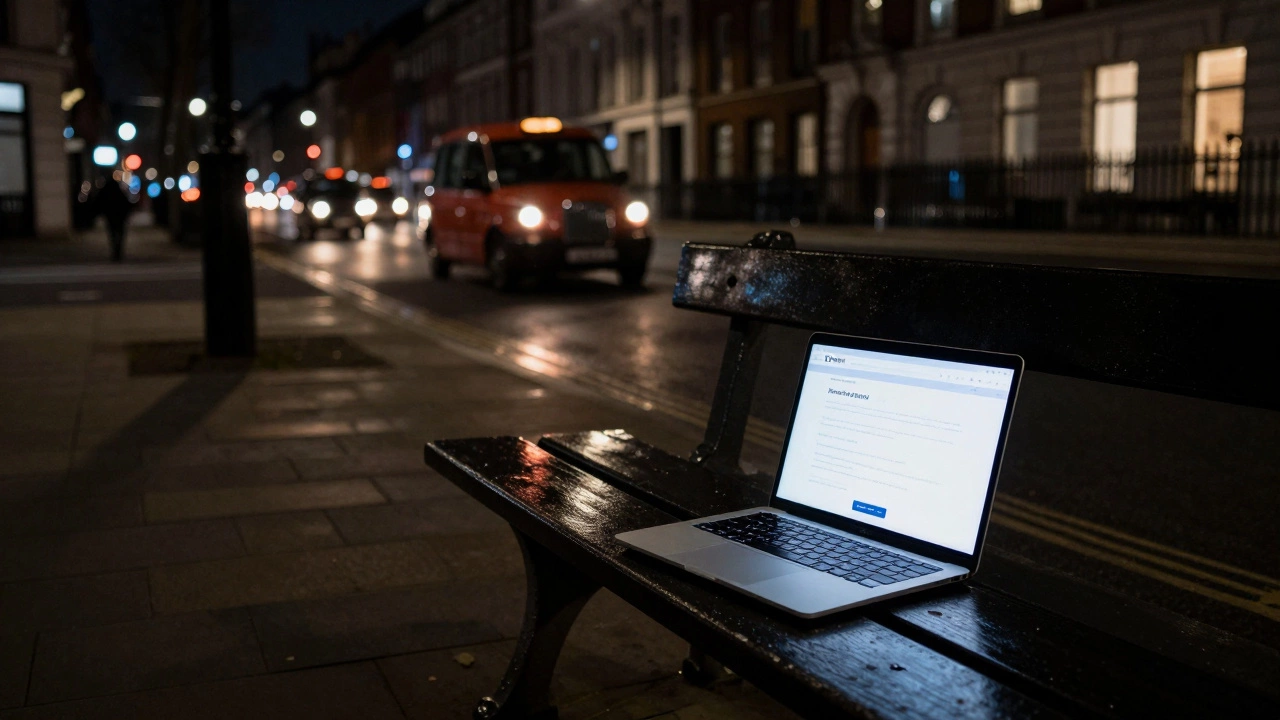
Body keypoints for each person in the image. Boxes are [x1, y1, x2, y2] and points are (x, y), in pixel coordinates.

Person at [96, 178, 133, 262]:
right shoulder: (120, 193)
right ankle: (118, 251)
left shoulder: (106, 194)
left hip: (111, 218)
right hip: (120, 218)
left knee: (112, 235)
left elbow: (99, 203)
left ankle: (115, 251)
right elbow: (127, 205)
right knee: (120, 235)